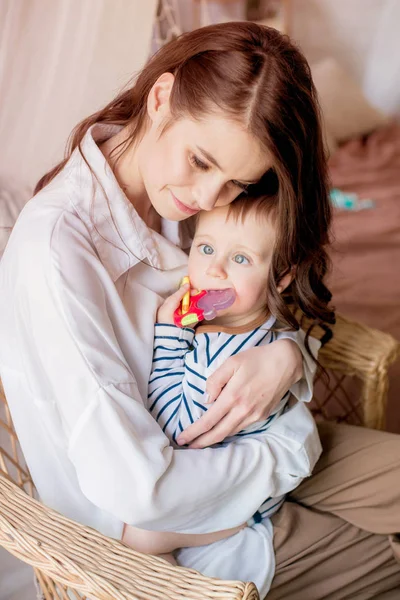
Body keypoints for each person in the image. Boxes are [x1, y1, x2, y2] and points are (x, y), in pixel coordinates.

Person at [0, 21, 399, 599]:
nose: (208, 199)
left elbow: (276, 302)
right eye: (201, 161)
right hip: (178, 531)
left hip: (259, 438)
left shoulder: (183, 199)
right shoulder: (58, 250)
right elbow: (141, 489)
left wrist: (287, 355)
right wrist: (284, 453)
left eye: (236, 182)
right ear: (160, 98)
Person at [131, 198, 323, 597]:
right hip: (252, 472)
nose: (214, 269)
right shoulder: (261, 322)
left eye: (240, 258)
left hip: (243, 495)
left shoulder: (218, 356)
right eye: (205, 249)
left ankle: (229, 529)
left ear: (281, 278)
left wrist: (170, 336)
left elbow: (177, 428)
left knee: (140, 540)